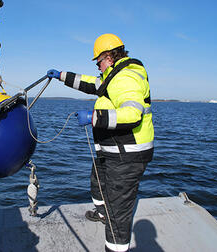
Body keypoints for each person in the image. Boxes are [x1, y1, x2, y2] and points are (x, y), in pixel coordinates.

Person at [47, 33, 154, 252]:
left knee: (119, 212)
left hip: (128, 155)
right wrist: (61, 76)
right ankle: (102, 213)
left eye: (98, 61)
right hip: (113, 151)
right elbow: (88, 83)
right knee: (97, 179)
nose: (97, 66)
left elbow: (132, 114)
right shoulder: (113, 76)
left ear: (109, 56)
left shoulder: (126, 77)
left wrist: (94, 117)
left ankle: (114, 245)